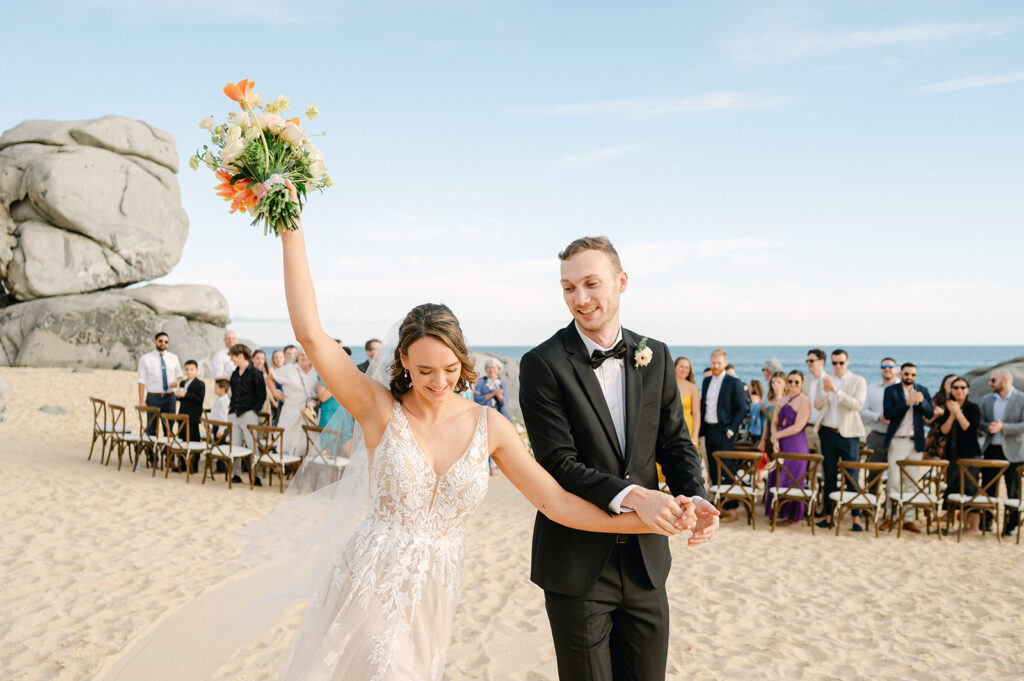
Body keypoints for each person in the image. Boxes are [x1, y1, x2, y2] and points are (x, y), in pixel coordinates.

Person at [277, 210, 700, 681]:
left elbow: (557, 502)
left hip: (435, 593)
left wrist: (652, 520)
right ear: (402, 361)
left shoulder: (489, 427)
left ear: (463, 359)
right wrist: (290, 228)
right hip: (371, 578)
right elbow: (311, 335)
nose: (438, 382)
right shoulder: (379, 410)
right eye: (423, 372)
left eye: (450, 369)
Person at [519, 235, 718, 681]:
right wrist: (635, 497)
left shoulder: (657, 354)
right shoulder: (543, 363)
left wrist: (694, 494)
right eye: (569, 288)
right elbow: (558, 463)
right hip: (576, 566)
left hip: (648, 566)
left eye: (591, 284)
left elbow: (675, 442)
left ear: (621, 281)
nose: (580, 299)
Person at [813, 349, 867, 531]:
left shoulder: (858, 381)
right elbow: (817, 404)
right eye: (834, 363)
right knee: (829, 477)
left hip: (849, 435)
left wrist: (836, 391)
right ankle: (829, 517)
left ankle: (855, 519)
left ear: (847, 362)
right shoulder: (825, 379)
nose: (837, 367)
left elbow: (857, 405)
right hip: (827, 433)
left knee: (852, 477)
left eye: (840, 363)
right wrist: (827, 391)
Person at [879, 363, 934, 534]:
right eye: (907, 373)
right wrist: (907, 402)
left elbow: (930, 413)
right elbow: (888, 413)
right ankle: (890, 517)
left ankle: (908, 519)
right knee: (894, 480)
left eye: (913, 374)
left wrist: (922, 401)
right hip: (898, 440)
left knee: (912, 481)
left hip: (915, 440)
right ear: (901, 373)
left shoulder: (922, 390)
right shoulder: (891, 390)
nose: (910, 377)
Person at [700, 348, 747, 521]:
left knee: (727, 470)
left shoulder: (733, 382)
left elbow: (742, 408)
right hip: (709, 430)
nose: (716, 366)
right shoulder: (706, 381)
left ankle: (732, 509)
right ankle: (720, 507)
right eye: (713, 362)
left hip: (724, 432)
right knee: (713, 470)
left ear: (725, 364)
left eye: (719, 363)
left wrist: (731, 429)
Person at [979, 369, 1024, 537]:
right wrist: (988, 427)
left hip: (1014, 452)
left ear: (1004, 381)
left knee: (1014, 491)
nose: (990, 383)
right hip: (991, 449)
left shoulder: (1021, 398)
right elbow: (981, 422)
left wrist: (1003, 427)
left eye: (993, 380)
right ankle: (987, 523)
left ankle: (1011, 527)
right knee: (988, 488)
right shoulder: (986, 400)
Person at [766, 370, 811, 524]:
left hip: (796, 445)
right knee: (778, 477)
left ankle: (794, 517)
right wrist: (774, 439)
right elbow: (774, 423)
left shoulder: (804, 401)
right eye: (790, 381)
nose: (793, 384)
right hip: (781, 445)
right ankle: (778, 513)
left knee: (794, 479)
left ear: (802, 383)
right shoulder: (781, 400)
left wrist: (777, 435)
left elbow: (798, 426)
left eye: (796, 382)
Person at [939, 377, 982, 535]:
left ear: (968, 390)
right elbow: (944, 431)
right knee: (955, 489)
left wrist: (957, 412)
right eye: (956, 387)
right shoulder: (948, 407)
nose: (959, 390)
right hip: (952, 455)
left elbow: (969, 429)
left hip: (970, 455)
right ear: (951, 390)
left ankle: (973, 527)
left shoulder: (973, 408)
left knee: (971, 489)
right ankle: (963, 526)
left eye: (963, 387)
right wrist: (951, 414)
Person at [270, 347, 320, 458]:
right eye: (301, 355)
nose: (304, 357)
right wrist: (275, 392)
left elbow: (320, 393)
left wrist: (316, 402)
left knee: (306, 446)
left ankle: (300, 472)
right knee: (286, 444)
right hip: (290, 412)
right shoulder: (289, 369)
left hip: (308, 415)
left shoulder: (316, 370)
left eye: (307, 354)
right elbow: (269, 378)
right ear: (297, 357)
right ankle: (286, 471)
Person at [227, 344, 266, 473]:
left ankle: (256, 475)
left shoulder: (256, 373)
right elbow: (233, 392)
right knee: (234, 446)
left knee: (252, 445)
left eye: (233, 356)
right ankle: (236, 474)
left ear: (240, 355)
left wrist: (254, 411)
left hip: (249, 414)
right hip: (234, 413)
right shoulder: (234, 373)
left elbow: (262, 395)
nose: (231, 359)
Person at [137, 331, 183, 435]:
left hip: (170, 398)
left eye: (166, 342)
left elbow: (180, 376)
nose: (163, 343)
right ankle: (150, 451)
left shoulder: (173, 358)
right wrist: (141, 401)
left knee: (169, 430)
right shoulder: (145, 359)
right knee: (151, 429)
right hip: (153, 398)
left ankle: (166, 451)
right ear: (155, 341)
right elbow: (141, 380)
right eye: (160, 341)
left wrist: (177, 382)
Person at [317, 343, 355, 456]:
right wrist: (338, 382)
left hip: (346, 418)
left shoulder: (353, 375)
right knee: (329, 456)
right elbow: (323, 397)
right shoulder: (324, 374)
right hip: (329, 418)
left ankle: (343, 475)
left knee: (347, 454)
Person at [861, 357, 899, 463]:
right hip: (877, 436)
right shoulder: (871, 388)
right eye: (883, 367)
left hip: (899, 437)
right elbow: (862, 411)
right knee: (874, 472)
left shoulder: (904, 388)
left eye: (890, 366)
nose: (887, 369)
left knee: (896, 473)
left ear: (897, 369)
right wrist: (879, 416)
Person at [174, 360, 206, 443]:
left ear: (196, 370)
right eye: (187, 369)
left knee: (193, 439)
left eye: (191, 369)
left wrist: (186, 394)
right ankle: (182, 456)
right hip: (182, 414)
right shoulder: (183, 383)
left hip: (193, 416)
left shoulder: (200, 384)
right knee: (181, 438)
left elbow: (199, 399)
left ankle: (194, 456)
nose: (189, 372)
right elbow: (181, 399)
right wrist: (177, 396)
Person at [803, 348, 827, 453]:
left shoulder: (829, 380)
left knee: (823, 465)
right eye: (807, 361)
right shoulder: (805, 380)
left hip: (824, 429)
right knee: (808, 465)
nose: (809, 363)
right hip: (807, 428)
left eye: (811, 361)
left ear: (821, 362)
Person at [674, 356, 701, 445]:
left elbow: (696, 414)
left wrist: (695, 437)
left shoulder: (693, 388)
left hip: (687, 429)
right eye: (681, 366)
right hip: (669, 428)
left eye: (687, 368)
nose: (684, 370)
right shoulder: (667, 386)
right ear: (675, 367)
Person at [268, 349, 286, 425]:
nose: (279, 360)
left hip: (285, 399)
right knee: (276, 421)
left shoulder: (287, 369)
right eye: (276, 358)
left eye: (281, 357)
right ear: (273, 359)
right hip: (275, 400)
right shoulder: (272, 370)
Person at [746, 379, 765, 445]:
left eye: (750, 386)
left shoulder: (753, 397)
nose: (748, 388)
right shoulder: (760, 397)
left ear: (754, 388)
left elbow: (752, 411)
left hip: (753, 424)